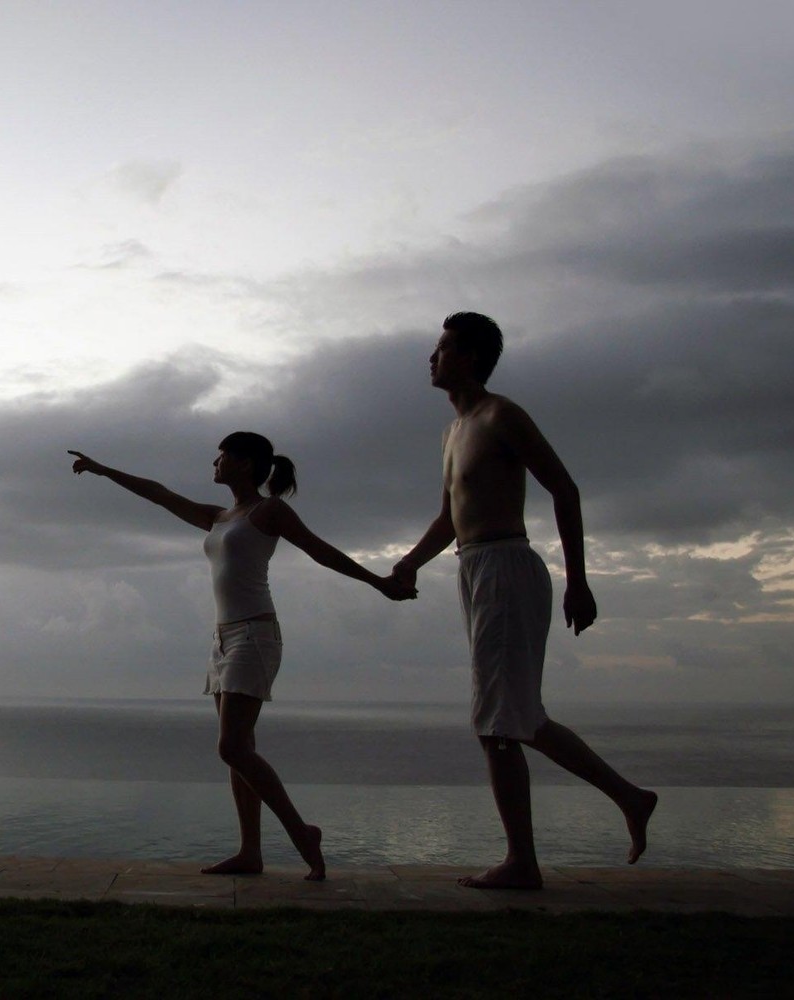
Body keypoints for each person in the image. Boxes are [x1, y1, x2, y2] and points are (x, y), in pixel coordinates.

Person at [390, 312, 658, 890]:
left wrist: (579, 580)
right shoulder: (452, 432)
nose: (431, 358)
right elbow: (449, 517)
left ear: (470, 358)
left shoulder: (501, 415)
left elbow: (564, 488)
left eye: (441, 349)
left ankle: (523, 862)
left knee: (497, 722)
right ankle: (630, 799)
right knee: (517, 716)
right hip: (474, 567)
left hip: (508, 565)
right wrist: (411, 561)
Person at [70, 433, 415, 881]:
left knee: (231, 746)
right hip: (223, 638)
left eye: (223, 455)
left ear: (247, 463)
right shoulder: (218, 517)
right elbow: (160, 494)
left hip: (255, 634)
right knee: (240, 750)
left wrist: (380, 583)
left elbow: (320, 550)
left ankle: (302, 833)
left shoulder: (268, 511)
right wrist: (102, 470)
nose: (214, 461)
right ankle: (250, 853)